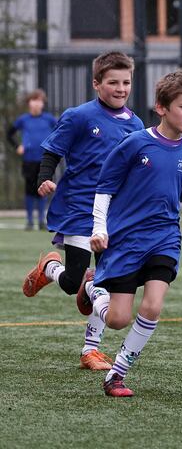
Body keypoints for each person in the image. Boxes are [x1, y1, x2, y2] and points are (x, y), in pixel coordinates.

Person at [80, 69, 182, 397]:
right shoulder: (135, 143)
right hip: (124, 240)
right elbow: (105, 188)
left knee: (152, 306)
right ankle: (94, 288)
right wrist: (99, 228)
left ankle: (117, 374)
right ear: (162, 107)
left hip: (164, 239)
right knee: (118, 320)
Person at [22, 51, 144, 371]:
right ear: (96, 83)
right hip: (78, 207)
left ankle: (90, 350)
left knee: (109, 278)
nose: (121, 88)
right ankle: (51, 268)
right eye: (113, 82)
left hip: (113, 213)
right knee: (72, 279)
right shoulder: (79, 116)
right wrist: (44, 178)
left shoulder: (136, 124)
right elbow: (53, 150)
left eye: (126, 82)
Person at [6, 89, 57, 230]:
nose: (36, 104)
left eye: (39, 100)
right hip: (29, 160)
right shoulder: (23, 119)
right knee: (29, 190)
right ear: (29, 103)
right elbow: (9, 133)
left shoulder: (49, 119)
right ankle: (29, 220)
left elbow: (60, 131)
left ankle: (42, 220)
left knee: (43, 189)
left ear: (43, 103)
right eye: (33, 100)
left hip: (45, 160)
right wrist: (17, 146)